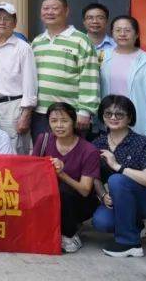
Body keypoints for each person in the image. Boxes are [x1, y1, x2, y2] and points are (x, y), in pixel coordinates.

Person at [91, 95, 146, 258]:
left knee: (117, 180)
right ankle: (136, 225)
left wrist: (118, 167)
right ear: (102, 116)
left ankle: (129, 243)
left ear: (129, 118)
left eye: (119, 114)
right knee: (102, 221)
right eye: (108, 114)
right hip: (122, 200)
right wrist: (102, 194)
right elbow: (94, 175)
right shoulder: (97, 144)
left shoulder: (143, 143)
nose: (113, 118)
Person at [31, 102, 100, 254]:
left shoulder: (89, 150)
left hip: (79, 202)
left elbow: (85, 190)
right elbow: (32, 172)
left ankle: (70, 235)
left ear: (74, 122)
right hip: (48, 197)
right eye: (54, 121)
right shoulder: (43, 140)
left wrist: (61, 174)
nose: (59, 126)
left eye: (64, 121)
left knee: (62, 190)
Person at [31, 0, 100, 136]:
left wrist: (85, 111)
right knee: (42, 150)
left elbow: (90, 77)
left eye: (55, 8)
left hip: (69, 114)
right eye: (45, 8)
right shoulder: (37, 42)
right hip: (40, 114)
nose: (49, 12)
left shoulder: (81, 40)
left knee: (70, 151)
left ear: (66, 11)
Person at [0, 2, 37, 154]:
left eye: (7, 18)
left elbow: (30, 82)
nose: (2, 22)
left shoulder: (23, 47)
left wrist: (26, 114)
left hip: (12, 108)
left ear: (15, 23)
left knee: (13, 152)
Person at [99, 15, 146, 141]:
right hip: (107, 125)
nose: (122, 34)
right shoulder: (102, 56)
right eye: (118, 30)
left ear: (137, 34)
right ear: (112, 33)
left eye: (127, 30)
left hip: (137, 127)